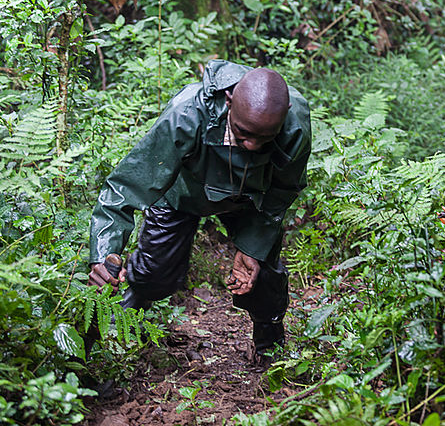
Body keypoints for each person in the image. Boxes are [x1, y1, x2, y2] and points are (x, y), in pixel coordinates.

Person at [86, 60, 311, 368]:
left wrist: (251, 248)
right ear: (229, 101)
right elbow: (126, 185)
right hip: (184, 192)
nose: (252, 145)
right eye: (244, 134)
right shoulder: (187, 114)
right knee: (154, 274)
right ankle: (118, 332)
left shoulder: (294, 123)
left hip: (251, 199)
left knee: (264, 276)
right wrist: (104, 250)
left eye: (264, 139)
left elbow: (284, 190)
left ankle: (270, 349)